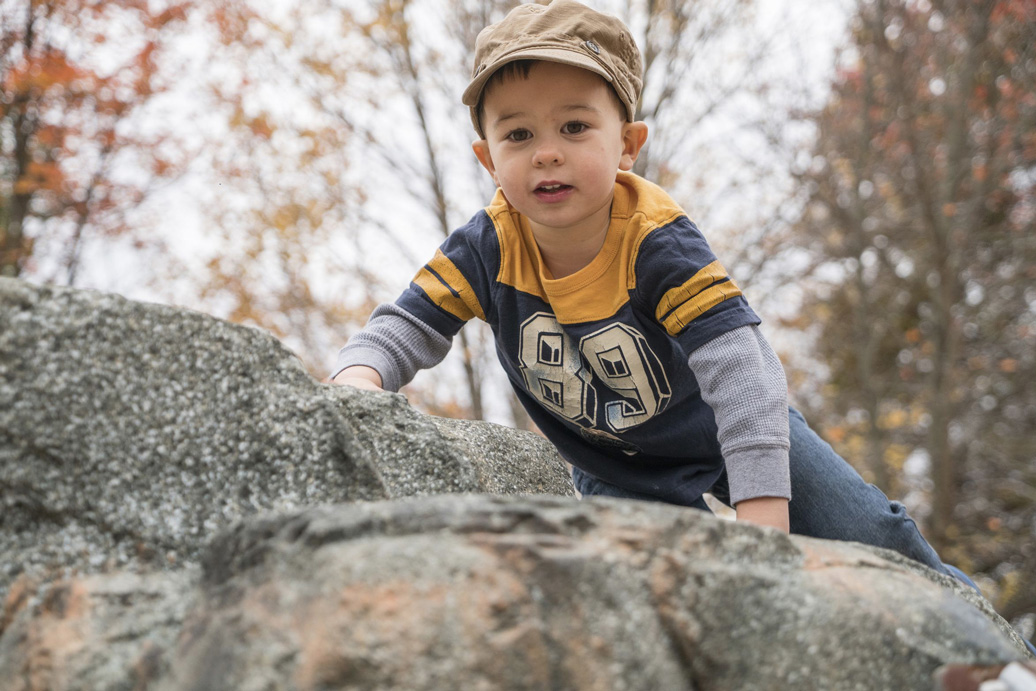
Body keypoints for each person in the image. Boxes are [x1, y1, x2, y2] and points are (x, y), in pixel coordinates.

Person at [329, 0, 1000, 606]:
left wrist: (765, 515)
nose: (547, 155)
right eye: (519, 136)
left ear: (627, 145)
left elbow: (743, 370)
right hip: (616, 468)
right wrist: (359, 378)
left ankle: (996, 658)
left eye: (573, 126)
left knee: (869, 530)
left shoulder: (656, 241)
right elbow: (406, 325)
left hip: (727, 425)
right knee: (686, 594)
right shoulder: (489, 246)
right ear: (487, 157)